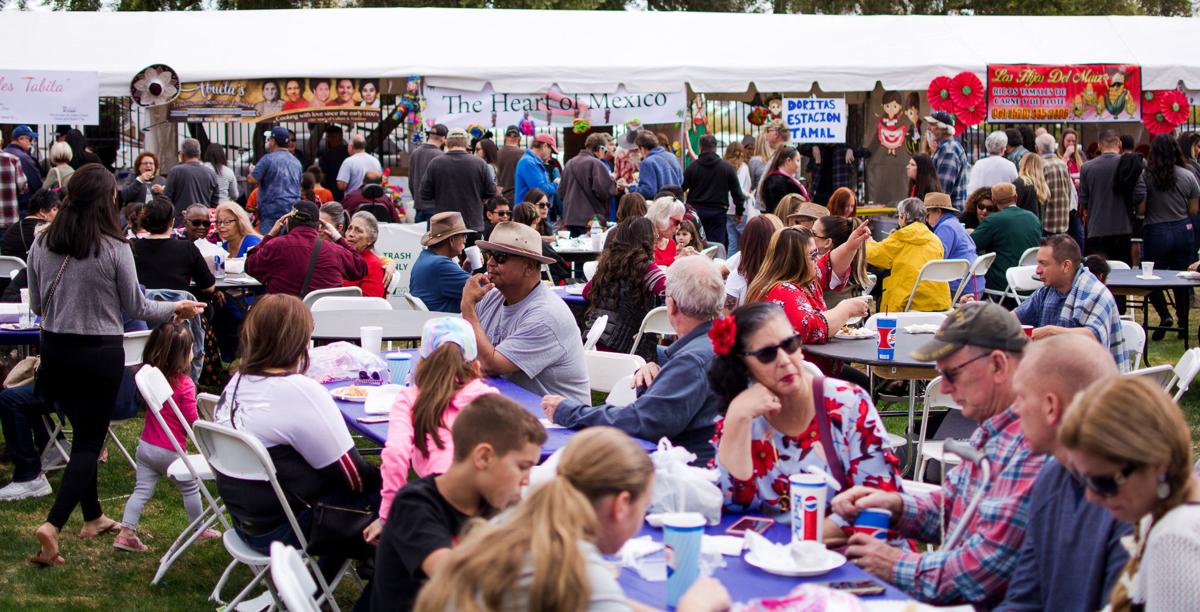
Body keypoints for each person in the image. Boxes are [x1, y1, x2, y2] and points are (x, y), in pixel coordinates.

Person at [27, 164, 204, 567]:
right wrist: (177, 307)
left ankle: (92, 517)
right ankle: (53, 525)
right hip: (98, 352)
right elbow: (137, 307)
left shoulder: (42, 242)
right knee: (90, 441)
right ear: (108, 200)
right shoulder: (115, 247)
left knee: (84, 434)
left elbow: (37, 305)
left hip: (56, 349)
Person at [831, 302, 1044, 606]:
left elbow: (982, 571)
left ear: (998, 365)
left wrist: (894, 563)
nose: (943, 386)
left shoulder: (1033, 442)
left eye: (952, 374)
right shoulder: (997, 427)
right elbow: (955, 505)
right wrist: (896, 506)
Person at [413, 427, 730, 612]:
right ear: (621, 505)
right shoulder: (582, 574)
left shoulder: (507, 530)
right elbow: (596, 593)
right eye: (645, 507)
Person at [212, 294, 380, 575]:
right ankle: (365, 571)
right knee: (394, 490)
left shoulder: (236, 383)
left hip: (247, 523)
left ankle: (321, 585)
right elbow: (353, 477)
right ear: (300, 340)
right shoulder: (299, 390)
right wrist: (386, 474)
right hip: (288, 530)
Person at [708, 301, 902, 539]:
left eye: (790, 344)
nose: (785, 360)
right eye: (767, 354)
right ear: (743, 365)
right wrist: (737, 417)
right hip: (771, 560)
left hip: (852, 559)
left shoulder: (847, 404)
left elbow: (879, 506)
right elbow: (732, 504)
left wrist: (798, 543)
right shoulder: (745, 412)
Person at [371, 394, 546, 612]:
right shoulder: (415, 504)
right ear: (483, 457)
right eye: (522, 467)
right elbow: (456, 580)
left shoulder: (498, 502)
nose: (527, 479)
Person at [996, 334, 1130, 612]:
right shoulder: (1052, 477)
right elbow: (1024, 599)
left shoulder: (1134, 501)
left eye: (1021, 396)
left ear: (1051, 407)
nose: (1015, 408)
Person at [546, 255, 722, 460]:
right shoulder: (719, 343)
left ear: (671, 305)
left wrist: (569, 412)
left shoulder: (692, 360)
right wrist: (657, 371)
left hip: (690, 473)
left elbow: (643, 421)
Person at [1059, 377, 1200, 612]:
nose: (1091, 496)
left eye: (1102, 482)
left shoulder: (1176, 537)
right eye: (1082, 478)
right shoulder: (1160, 512)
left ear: (1157, 462)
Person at [377, 318, 496, 530]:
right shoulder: (489, 398)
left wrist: (388, 515)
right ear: (476, 365)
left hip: (436, 502)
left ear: (421, 362)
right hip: (484, 504)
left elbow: (395, 453)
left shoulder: (409, 398)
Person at [113, 322, 220, 552]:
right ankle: (198, 529)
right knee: (190, 488)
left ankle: (126, 532)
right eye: (191, 348)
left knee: (141, 491)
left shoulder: (152, 379)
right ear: (183, 355)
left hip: (146, 447)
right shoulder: (186, 385)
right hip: (171, 451)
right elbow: (191, 419)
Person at [461, 222, 589, 403]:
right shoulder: (491, 297)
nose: (490, 262)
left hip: (556, 424)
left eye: (500, 256)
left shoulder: (547, 315)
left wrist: (468, 308)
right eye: (488, 254)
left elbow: (489, 365)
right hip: (511, 411)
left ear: (529, 266)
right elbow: (458, 347)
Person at [746, 226, 872, 384]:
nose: (817, 259)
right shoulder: (782, 290)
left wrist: (850, 246)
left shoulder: (802, 279)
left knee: (863, 383)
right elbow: (811, 327)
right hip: (796, 380)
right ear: (795, 260)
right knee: (861, 386)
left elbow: (828, 267)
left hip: (813, 372)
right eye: (813, 255)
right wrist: (846, 309)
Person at [1013, 233, 1130, 370]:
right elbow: (1013, 318)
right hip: (1059, 374)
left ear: (1066, 266)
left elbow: (1093, 339)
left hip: (1098, 383)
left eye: (1043, 264)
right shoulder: (1047, 291)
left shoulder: (1095, 294)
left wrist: (1049, 332)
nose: (1037, 270)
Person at [581, 216, 666, 360]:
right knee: (675, 356)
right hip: (628, 353)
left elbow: (586, 292)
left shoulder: (608, 264)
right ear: (648, 240)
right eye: (655, 236)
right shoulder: (646, 268)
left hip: (595, 346)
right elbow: (673, 291)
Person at [1142, 133, 1199, 338]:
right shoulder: (1188, 176)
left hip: (1156, 230)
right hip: (1182, 229)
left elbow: (1141, 208)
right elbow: (1193, 210)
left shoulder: (1146, 177)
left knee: (1150, 277)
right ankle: (1183, 323)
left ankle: (1164, 315)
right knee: (1182, 278)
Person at [245, 200, 366, 297]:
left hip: (284, 322)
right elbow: (360, 269)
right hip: (325, 321)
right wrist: (338, 238)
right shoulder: (335, 251)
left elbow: (250, 266)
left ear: (287, 222)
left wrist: (270, 235)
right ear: (318, 226)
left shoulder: (275, 246)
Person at [866, 197, 949, 312]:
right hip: (938, 301)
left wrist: (868, 242)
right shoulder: (935, 240)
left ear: (904, 217)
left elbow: (874, 255)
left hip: (908, 302)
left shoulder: (901, 237)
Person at [1080, 129, 1144, 264]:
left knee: (1100, 272)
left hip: (1097, 228)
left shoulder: (1087, 167)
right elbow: (1140, 194)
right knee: (1122, 271)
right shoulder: (1130, 164)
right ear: (1119, 144)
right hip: (1123, 227)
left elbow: (1084, 200)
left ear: (1099, 145)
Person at [131, 197, 216, 294]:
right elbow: (208, 287)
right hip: (180, 307)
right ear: (172, 221)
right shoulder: (187, 248)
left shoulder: (132, 247)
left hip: (143, 307)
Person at [421, 128, 496, 233]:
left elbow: (425, 194)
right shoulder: (479, 164)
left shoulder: (435, 163)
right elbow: (491, 192)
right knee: (472, 250)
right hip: (472, 224)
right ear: (466, 143)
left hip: (445, 225)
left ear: (446, 143)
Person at [971, 182, 1042, 292]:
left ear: (994, 201)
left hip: (1004, 281)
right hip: (1031, 278)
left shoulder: (993, 220)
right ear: (1016, 197)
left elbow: (971, 245)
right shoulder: (1033, 218)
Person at [683, 134, 746, 248]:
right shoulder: (727, 168)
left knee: (696, 244)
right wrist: (739, 211)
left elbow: (682, 187)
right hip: (718, 212)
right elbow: (737, 192)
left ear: (700, 147)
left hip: (696, 212)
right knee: (716, 246)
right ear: (715, 147)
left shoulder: (692, 168)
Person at [410, 212, 473, 313]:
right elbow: (481, 290)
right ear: (452, 240)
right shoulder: (440, 264)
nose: (465, 240)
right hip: (449, 323)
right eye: (463, 236)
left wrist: (466, 269)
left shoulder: (426, 257)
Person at [560, 133, 619, 237]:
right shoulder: (596, 164)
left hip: (570, 219)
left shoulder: (569, 163)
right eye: (605, 151)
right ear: (600, 148)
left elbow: (560, 192)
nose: (605, 154)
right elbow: (606, 191)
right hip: (590, 221)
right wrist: (613, 182)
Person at [925, 192, 981, 298]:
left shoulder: (945, 228)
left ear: (938, 211)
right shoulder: (954, 223)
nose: (926, 220)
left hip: (960, 288)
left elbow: (937, 259)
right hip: (974, 285)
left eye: (927, 215)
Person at [247, 127, 302, 233]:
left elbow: (252, 179)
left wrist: (251, 172)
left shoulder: (268, 159)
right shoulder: (296, 162)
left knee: (269, 244)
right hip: (291, 211)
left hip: (270, 212)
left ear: (273, 141)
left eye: (269, 139)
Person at [724, 215, 784, 310]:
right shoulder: (784, 273)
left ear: (745, 240)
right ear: (773, 241)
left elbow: (728, 317)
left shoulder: (737, 276)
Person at [813, 215, 872, 309]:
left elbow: (830, 260)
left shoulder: (832, 267)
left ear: (827, 242)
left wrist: (850, 246)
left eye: (813, 233)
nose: (808, 236)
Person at [511, 203, 569, 283]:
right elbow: (562, 269)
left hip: (512, 283)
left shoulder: (508, 241)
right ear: (536, 220)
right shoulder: (538, 243)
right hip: (539, 285)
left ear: (513, 220)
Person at [164, 138, 220, 216]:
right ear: (199, 154)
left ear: (182, 154)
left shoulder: (176, 171)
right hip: (203, 221)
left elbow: (166, 199)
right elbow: (215, 202)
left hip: (181, 221)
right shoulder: (211, 173)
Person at [925, 111, 968, 209]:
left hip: (946, 213)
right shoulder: (946, 148)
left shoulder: (949, 150)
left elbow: (941, 192)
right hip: (945, 213)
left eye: (932, 124)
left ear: (944, 129)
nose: (928, 127)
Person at [1034, 133, 1073, 237]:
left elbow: (1039, 195)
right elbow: (1069, 192)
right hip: (1063, 221)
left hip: (1046, 222)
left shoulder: (1040, 165)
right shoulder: (1063, 165)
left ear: (1037, 148)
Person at [342, 212, 388, 298]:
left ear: (370, 240)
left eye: (358, 231)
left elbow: (371, 303)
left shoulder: (373, 265)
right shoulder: (341, 257)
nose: (351, 234)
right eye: (349, 228)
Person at [2, 188, 59, 258]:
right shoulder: (46, 231)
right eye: (55, 209)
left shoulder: (11, 230)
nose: (58, 213)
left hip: (8, 268)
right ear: (42, 211)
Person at [409, 124, 447, 223]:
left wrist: (416, 198)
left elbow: (411, 182)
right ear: (443, 138)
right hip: (435, 207)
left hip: (419, 206)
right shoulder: (441, 156)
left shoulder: (415, 153)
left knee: (420, 237)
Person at [631, 130, 683, 199]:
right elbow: (681, 180)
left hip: (660, 206)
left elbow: (648, 192)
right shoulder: (672, 156)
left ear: (642, 148)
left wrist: (631, 188)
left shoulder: (647, 163)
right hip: (676, 204)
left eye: (638, 149)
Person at [724, 141, 755, 255]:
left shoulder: (725, 166)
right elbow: (740, 188)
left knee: (733, 243)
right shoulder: (743, 167)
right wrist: (751, 196)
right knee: (746, 242)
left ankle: (728, 269)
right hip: (741, 208)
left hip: (728, 208)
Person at [966, 130, 1018, 195]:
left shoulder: (979, 164)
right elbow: (1015, 188)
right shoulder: (1010, 165)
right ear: (1003, 148)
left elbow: (972, 189)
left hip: (982, 202)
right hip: (1003, 202)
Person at [758, 145, 808, 213]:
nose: (799, 164)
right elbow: (781, 209)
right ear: (788, 161)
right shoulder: (776, 182)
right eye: (797, 160)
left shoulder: (783, 179)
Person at [4, 125, 42, 210]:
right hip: (22, 207)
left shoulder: (4, 153)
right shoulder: (24, 158)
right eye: (30, 139)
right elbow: (37, 185)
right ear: (21, 139)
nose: (31, 142)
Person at [514, 133, 559, 203]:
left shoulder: (531, 161)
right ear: (544, 146)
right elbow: (541, 190)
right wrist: (556, 184)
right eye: (551, 151)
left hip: (531, 210)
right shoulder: (528, 162)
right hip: (527, 212)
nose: (550, 156)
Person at [645, 195, 687, 268]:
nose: (679, 227)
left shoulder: (671, 243)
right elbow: (649, 268)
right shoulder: (643, 239)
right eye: (677, 222)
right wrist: (677, 259)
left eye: (681, 223)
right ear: (662, 217)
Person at [317, 126, 350, 201]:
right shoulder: (349, 152)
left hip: (332, 190)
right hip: (348, 189)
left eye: (329, 137)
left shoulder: (326, 155)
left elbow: (322, 176)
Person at [1014, 153, 1049, 219]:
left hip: (1022, 224)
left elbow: (1014, 208)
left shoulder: (1020, 183)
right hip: (1037, 226)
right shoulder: (1042, 186)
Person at [495, 125, 524, 202]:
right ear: (519, 138)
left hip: (500, 198)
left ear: (505, 138)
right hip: (518, 198)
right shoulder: (524, 154)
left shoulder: (496, 154)